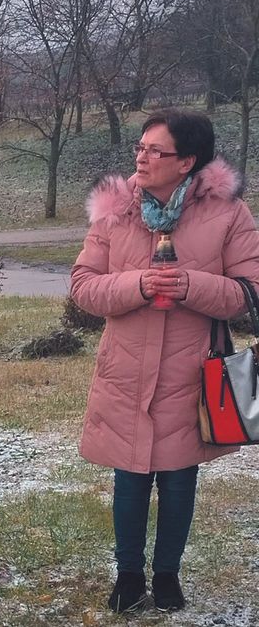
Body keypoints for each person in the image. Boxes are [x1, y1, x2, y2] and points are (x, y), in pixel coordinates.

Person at [71, 108, 259, 613]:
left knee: (179, 480)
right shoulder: (115, 209)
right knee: (129, 479)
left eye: (157, 151)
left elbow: (251, 293)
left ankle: (168, 575)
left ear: (187, 162)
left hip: (191, 372)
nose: (142, 157)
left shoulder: (228, 213)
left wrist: (190, 285)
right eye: (140, 147)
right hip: (126, 370)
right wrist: (137, 284)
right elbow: (83, 287)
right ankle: (128, 576)